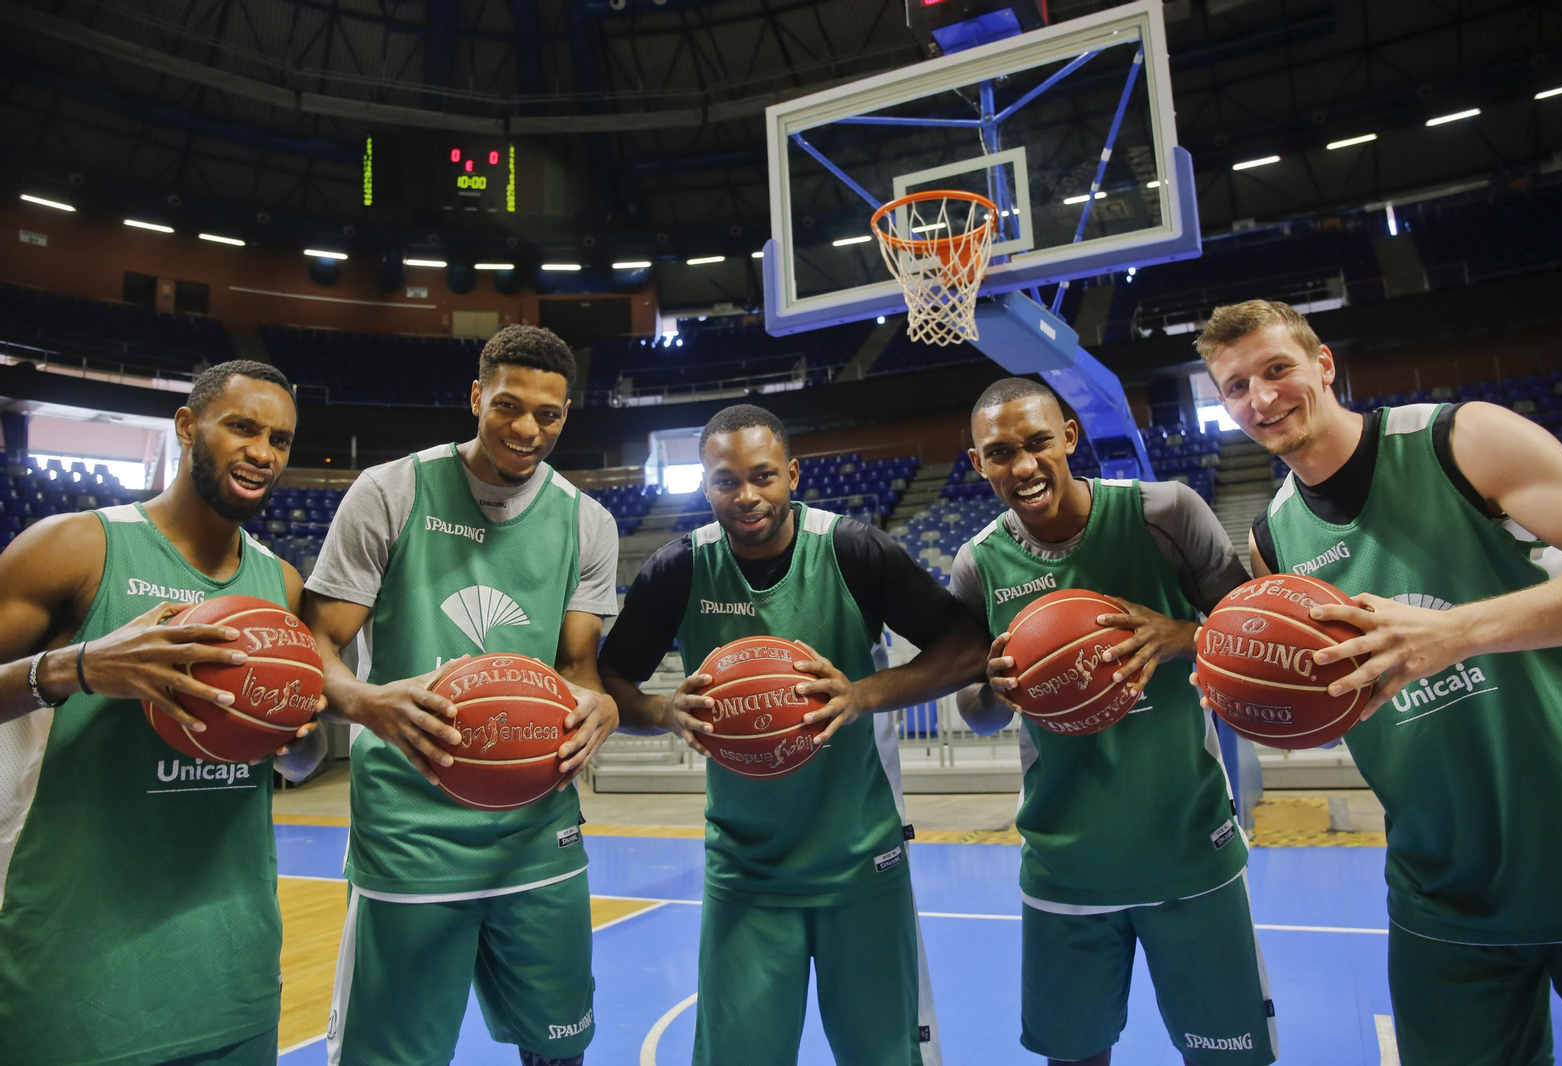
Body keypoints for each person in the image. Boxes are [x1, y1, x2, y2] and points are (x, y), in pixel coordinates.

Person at [1198, 299, 1562, 1065]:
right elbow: (1338, 707)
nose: (1262, 397)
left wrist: (1459, 631)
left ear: (1323, 364)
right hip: (1442, 888)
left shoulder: (1461, 439)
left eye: (1277, 368)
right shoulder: (1272, 538)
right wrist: (1256, 699)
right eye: (1237, 386)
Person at [599, 403, 987, 1066]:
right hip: (745, 868)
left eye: (763, 476)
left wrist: (861, 694)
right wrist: (663, 711)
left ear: (792, 475)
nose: (746, 496)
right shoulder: (679, 569)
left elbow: (969, 648)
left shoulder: (853, 550)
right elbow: (608, 681)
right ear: (706, 485)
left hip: (860, 860)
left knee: (882, 1056)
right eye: (726, 481)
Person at [302, 325, 618, 1066]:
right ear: (476, 397)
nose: (527, 429)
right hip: (411, 829)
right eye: (508, 405)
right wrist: (365, 703)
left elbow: (578, 668)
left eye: (548, 414)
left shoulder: (587, 521)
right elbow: (316, 644)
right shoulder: (390, 491)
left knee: (560, 1047)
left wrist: (599, 703)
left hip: (537, 830)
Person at [0, 360, 321, 1066]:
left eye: (279, 439)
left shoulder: (281, 584)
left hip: (233, 968)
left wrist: (298, 739)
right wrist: (81, 666)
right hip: (75, 972)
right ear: (186, 426)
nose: (263, 453)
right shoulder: (74, 547)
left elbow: (301, 762)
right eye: (242, 427)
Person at [951, 377, 1277, 1066]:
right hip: (1066, 866)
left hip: (1192, 852)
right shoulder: (978, 564)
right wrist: (998, 693)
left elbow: (1254, 638)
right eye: (1000, 452)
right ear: (979, 463)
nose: (1024, 465)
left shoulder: (1166, 513)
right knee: (1074, 1057)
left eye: (1039, 442)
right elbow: (974, 714)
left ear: (1069, 437)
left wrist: (1180, 635)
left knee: (1228, 1057)